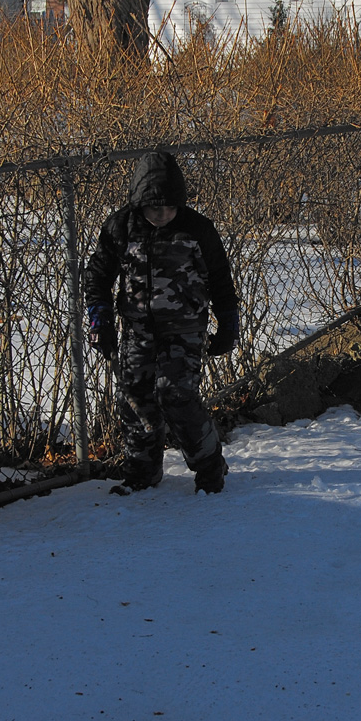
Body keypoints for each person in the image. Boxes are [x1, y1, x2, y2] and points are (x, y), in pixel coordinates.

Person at [84, 149, 239, 494]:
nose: (163, 215)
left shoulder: (198, 229)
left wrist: (228, 324)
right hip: (137, 331)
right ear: (139, 202)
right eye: (155, 208)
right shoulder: (121, 227)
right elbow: (97, 276)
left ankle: (210, 467)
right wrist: (101, 321)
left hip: (185, 332)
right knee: (136, 398)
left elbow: (220, 279)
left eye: (170, 207)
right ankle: (142, 473)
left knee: (176, 396)